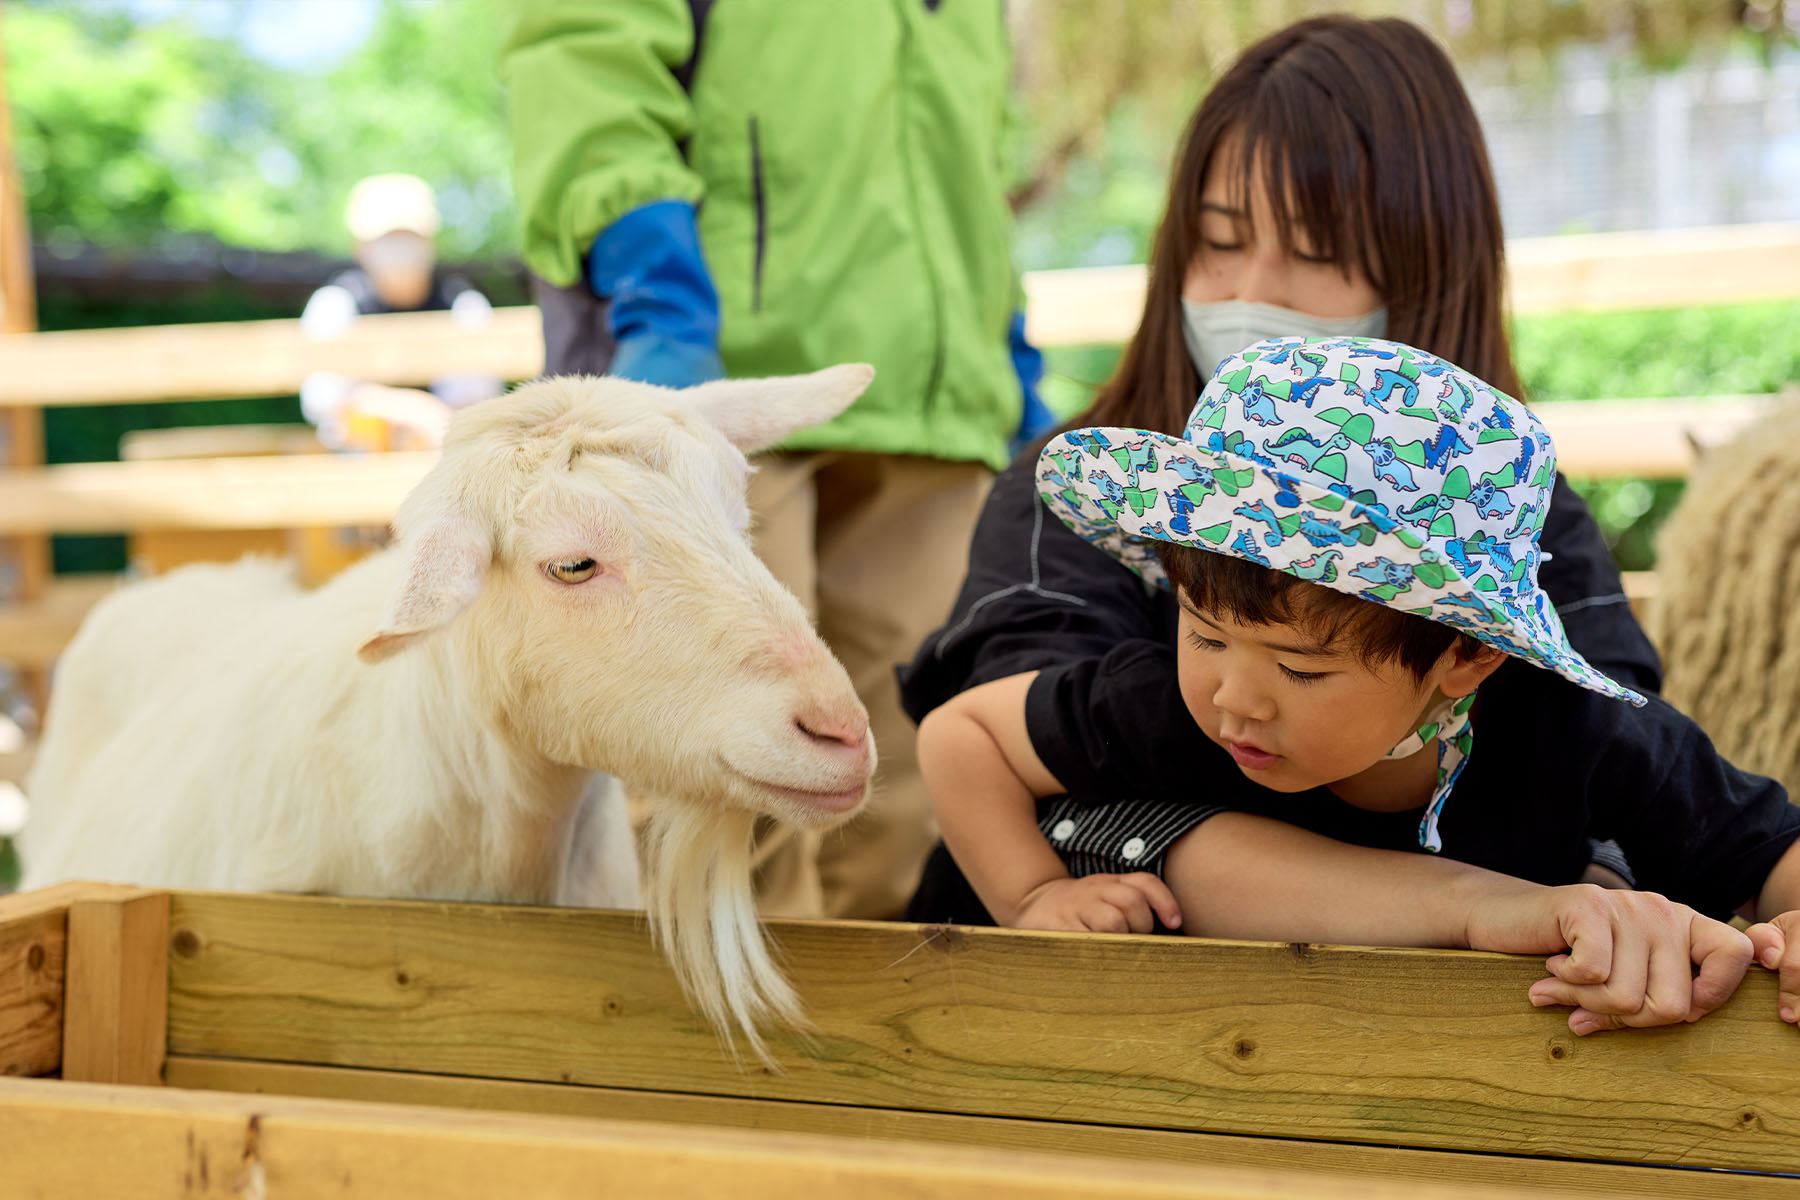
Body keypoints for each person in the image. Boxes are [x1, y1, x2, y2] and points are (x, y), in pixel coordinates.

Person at [903, 17, 1658, 925]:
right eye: (1219, 242)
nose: (1253, 290)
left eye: (1318, 253)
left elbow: (1635, 790)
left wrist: (1609, 913)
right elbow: (1046, 795)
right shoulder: (1065, 497)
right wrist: (1485, 908)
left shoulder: (1518, 526)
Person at [918, 334, 1800, 1034]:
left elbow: (1764, 851)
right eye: (1204, 634)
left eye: (1301, 668)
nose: (1236, 700)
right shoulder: (1158, 704)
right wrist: (1033, 893)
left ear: (1466, 657)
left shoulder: (1573, 735)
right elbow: (965, 736)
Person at [501, 2, 1052, 920]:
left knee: (904, 796)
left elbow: (967, 153)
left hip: (935, 411)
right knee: (726, 786)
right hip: (722, 392)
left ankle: (863, 1057)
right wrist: (658, 294)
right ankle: (712, 1061)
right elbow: (583, 53)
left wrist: (1003, 346)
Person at [299, 173, 502, 452]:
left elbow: (476, 401)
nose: (399, 248)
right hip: (360, 461)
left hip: (444, 459)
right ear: (359, 246)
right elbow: (324, 402)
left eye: (409, 236)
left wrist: (396, 411)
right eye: (387, 237)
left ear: (431, 241)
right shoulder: (336, 304)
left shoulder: (461, 304)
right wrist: (414, 411)